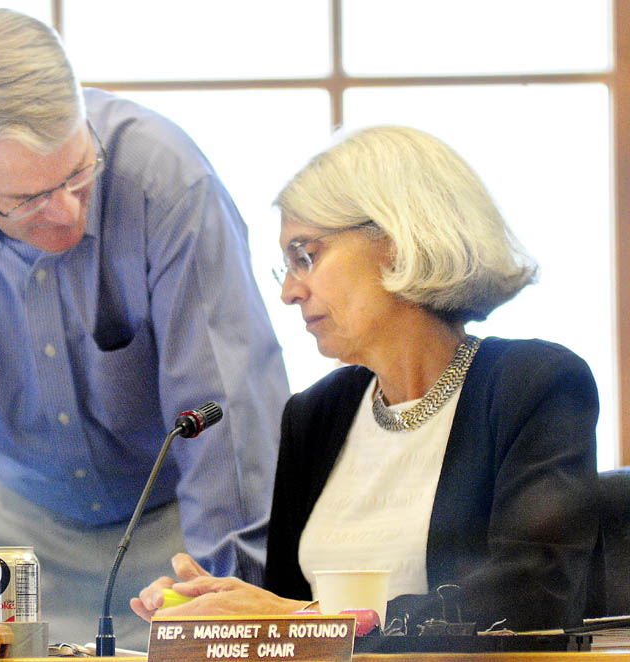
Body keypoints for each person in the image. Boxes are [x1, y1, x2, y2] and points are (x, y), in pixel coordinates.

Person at [0, 8, 290, 649]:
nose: (68, 213)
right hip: (5, 523)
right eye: (26, 199)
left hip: (177, 528)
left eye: (79, 173)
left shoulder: (163, 172)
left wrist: (239, 604)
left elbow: (229, 418)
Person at [131, 125, 601, 632]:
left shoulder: (535, 386)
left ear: (396, 243)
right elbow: (290, 610)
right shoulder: (315, 414)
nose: (290, 291)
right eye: (285, 266)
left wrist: (310, 619)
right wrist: (219, 608)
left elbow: (531, 596)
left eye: (305, 255)